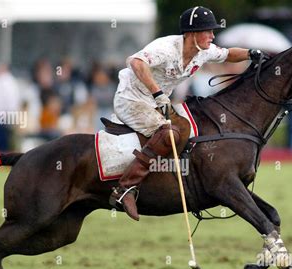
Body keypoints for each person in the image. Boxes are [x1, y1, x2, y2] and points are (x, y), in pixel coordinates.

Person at [111, 6, 262, 220]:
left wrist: (250, 53)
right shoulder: (166, 47)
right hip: (132, 99)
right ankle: (126, 187)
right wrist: (157, 93)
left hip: (157, 102)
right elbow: (136, 62)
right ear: (191, 34)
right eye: (208, 31)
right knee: (170, 133)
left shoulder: (204, 51)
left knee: (185, 128)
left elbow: (228, 54)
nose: (212, 35)